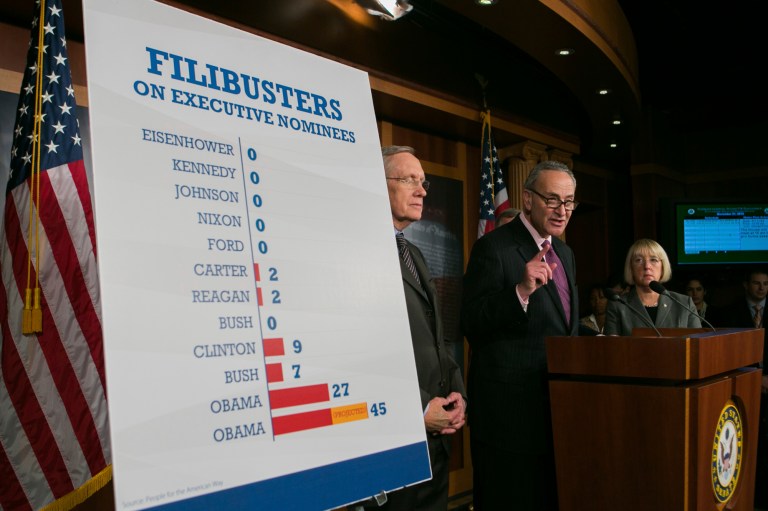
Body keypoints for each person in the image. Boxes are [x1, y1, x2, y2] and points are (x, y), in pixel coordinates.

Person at [461, 160, 579, 511]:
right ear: (528, 199)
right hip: (508, 422)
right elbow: (471, 322)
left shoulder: (566, 254)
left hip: (554, 414)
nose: (562, 211)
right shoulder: (494, 248)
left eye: (569, 202)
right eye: (553, 199)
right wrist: (520, 292)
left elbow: (562, 328)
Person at [378, 145, 467, 511]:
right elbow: (360, 353)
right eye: (408, 179)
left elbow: (437, 336)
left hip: (436, 439)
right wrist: (415, 409)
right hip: (393, 440)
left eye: (422, 180)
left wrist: (457, 392)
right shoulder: (361, 252)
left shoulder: (412, 253)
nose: (422, 190)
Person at [707, 268, 768, 510]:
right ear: (746, 285)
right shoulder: (727, 311)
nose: (761, 288)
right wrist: (752, 377)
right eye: (756, 283)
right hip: (740, 386)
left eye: (765, 283)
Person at [604, 239, 701, 336]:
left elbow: (697, 346)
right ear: (631, 268)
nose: (647, 266)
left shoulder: (684, 304)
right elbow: (612, 348)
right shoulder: (618, 306)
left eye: (653, 260)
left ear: (663, 267)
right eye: (639, 260)